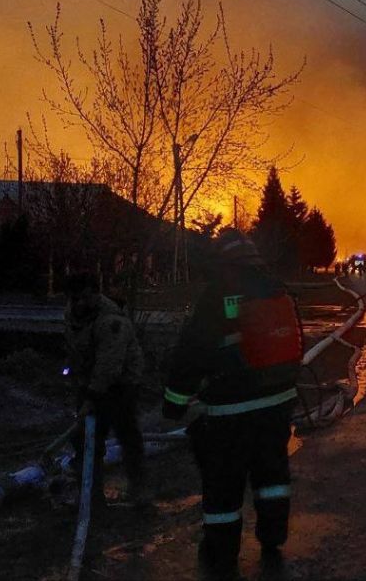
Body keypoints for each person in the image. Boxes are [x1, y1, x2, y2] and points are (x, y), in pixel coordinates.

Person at [163, 229, 303, 578]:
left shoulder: (216, 296)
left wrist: (174, 404)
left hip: (230, 413)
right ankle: (273, 537)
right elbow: (297, 339)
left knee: (223, 485)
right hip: (277, 405)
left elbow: (191, 354)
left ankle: (221, 554)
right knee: (272, 475)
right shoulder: (276, 287)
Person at [64, 272, 146, 506]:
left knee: (127, 433)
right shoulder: (72, 315)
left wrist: (92, 396)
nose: (80, 303)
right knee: (84, 438)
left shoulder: (111, 321)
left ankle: (139, 488)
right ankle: (90, 494)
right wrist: (78, 384)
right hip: (90, 383)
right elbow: (76, 351)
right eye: (74, 298)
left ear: (95, 294)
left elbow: (109, 363)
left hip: (121, 383)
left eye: (84, 298)